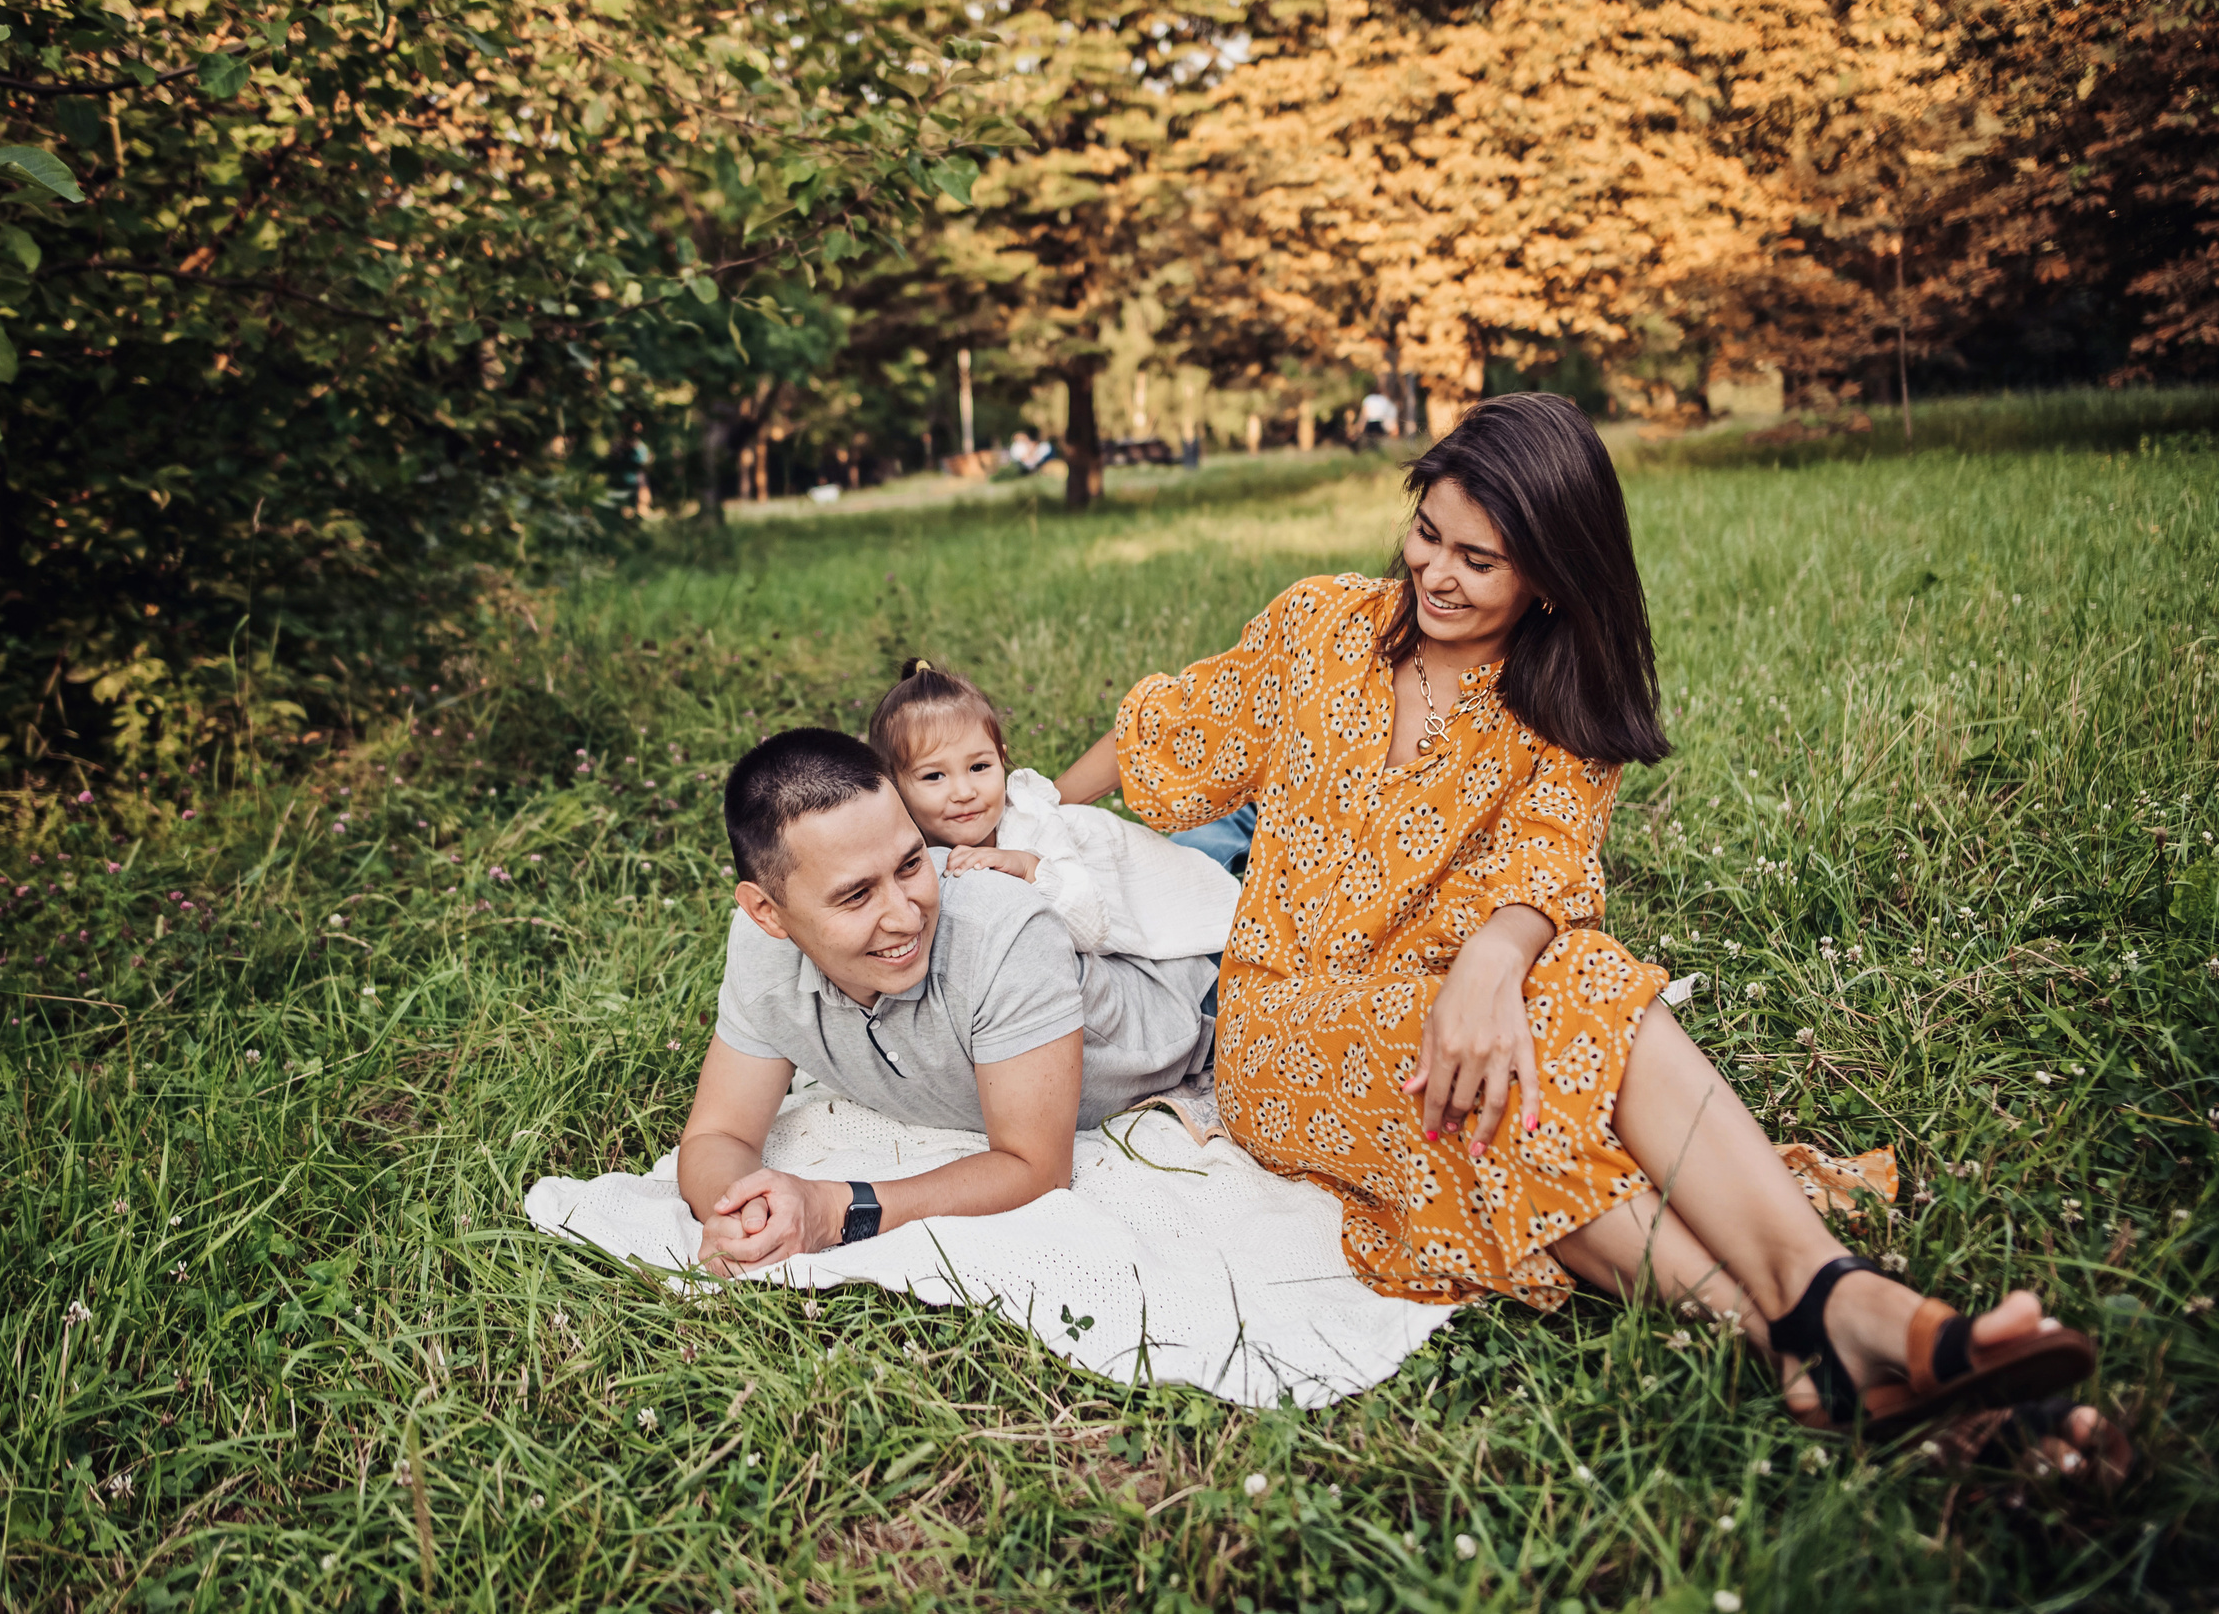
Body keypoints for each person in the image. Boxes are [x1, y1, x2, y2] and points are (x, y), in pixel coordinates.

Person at [1053, 392, 2115, 1459]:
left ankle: (1824, 1306)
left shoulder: (1552, 702)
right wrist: (1031, 819)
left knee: (1570, 983)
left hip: (1445, 1002)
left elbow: (1547, 863)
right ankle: (1813, 1327)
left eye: (1481, 558)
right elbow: (1166, 730)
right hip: (1283, 1035)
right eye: (1427, 533)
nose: (1435, 571)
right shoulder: (1319, 625)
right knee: (1471, 1082)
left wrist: (1487, 965)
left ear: (1551, 576)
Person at [676, 729, 1214, 1276]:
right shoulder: (758, 951)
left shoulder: (1002, 931)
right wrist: (749, 1211)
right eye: (857, 895)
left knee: (1241, 851)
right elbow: (718, 1135)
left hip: (1205, 1000)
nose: (907, 918)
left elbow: (1036, 1168)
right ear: (767, 913)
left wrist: (834, 1209)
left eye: (911, 864)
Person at [866, 659, 1240, 961]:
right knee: (1204, 843)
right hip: (1137, 870)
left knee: (1204, 868)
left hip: (1166, 905)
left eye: (980, 767)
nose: (964, 792)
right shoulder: (906, 845)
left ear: (1002, 759)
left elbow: (1089, 926)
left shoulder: (1032, 824)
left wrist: (1029, 867)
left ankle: (1244, 813)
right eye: (934, 776)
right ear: (894, 785)